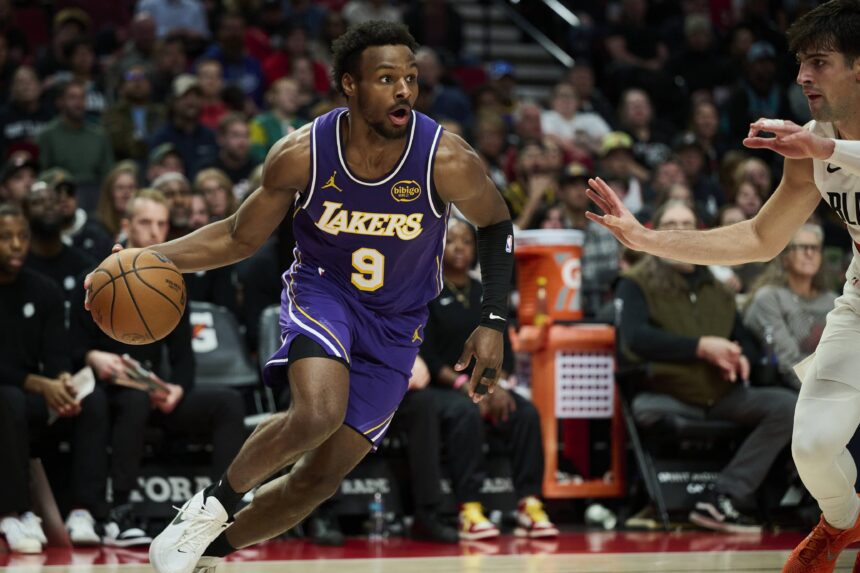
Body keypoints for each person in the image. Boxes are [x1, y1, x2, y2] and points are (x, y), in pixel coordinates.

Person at [84, 21, 513, 573]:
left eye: (410, 77)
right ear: (349, 85)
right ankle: (208, 506)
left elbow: (496, 223)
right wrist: (146, 259)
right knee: (316, 414)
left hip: (398, 320)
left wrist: (493, 319)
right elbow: (238, 236)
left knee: (317, 480)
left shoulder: (444, 159)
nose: (405, 90)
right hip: (324, 291)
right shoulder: (303, 153)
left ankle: (206, 554)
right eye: (386, 79)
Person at [585, 2, 860, 569]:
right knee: (811, 444)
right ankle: (843, 523)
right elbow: (761, 238)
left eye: (820, 62)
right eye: (801, 63)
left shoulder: (819, 146)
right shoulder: (814, 141)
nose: (803, 76)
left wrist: (826, 150)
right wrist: (647, 239)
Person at [71, 189, 245, 547]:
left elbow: (184, 360)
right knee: (127, 403)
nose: (154, 231)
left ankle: (218, 512)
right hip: (111, 391)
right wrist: (92, 357)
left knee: (228, 403)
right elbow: (68, 346)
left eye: (162, 224)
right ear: (126, 225)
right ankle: (119, 512)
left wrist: (177, 389)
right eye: (146, 222)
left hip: (154, 392)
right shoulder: (99, 274)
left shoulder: (168, 280)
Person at [615, 200, 795, 532]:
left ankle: (723, 496)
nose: (679, 231)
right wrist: (700, 348)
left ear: (700, 233)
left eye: (687, 224)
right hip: (666, 393)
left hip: (722, 395)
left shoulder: (719, 288)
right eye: (671, 223)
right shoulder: (636, 282)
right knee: (646, 409)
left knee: (788, 406)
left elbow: (747, 342)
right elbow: (635, 338)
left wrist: (739, 355)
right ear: (653, 231)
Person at [0, 204, 109, 549]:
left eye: (22, 236)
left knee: (91, 399)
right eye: (6, 237)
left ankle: (84, 512)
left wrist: (62, 382)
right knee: (9, 399)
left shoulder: (44, 290)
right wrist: (37, 383)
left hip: (32, 398)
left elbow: (57, 355)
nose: (17, 244)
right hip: (9, 397)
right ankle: (14, 514)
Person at [744, 224, 838, 390]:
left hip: (834, 386)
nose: (810, 253)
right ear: (784, 256)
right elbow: (788, 363)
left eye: (815, 248)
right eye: (802, 247)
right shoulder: (769, 298)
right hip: (784, 389)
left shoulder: (833, 301)